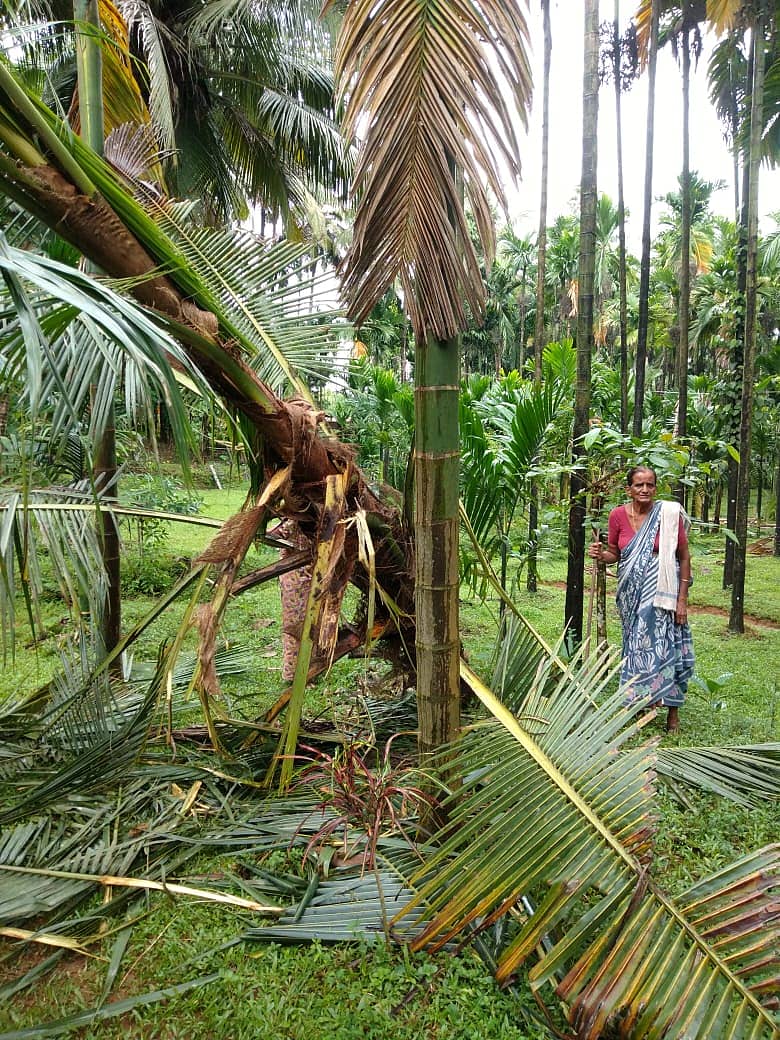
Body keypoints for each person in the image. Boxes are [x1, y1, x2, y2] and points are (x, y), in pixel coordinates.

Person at [588, 466, 694, 732]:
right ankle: (637, 705)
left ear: (655, 488)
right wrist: (601, 555)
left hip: (665, 598)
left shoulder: (669, 515)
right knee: (636, 649)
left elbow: (683, 557)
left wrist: (682, 600)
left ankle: (672, 713)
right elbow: (616, 553)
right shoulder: (617, 516)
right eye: (638, 485)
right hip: (631, 598)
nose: (644, 489)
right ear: (629, 489)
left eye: (649, 485)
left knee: (668, 647)